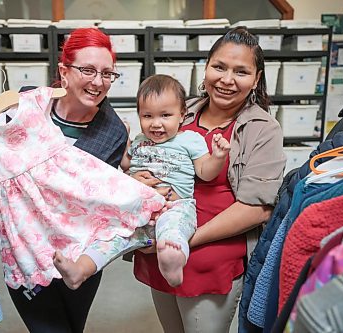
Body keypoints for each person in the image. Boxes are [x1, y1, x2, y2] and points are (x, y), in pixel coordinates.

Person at [0, 28, 132, 333]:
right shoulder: (27, 105)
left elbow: (96, 201)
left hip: (77, 252)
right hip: (24, 244)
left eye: (107, 73)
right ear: (64, 71)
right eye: (88, 70)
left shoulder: (113, 131)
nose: (98, 82)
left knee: (73, 326)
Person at [132, 27, 287, 333]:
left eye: (240, 71)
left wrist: (185, 240)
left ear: (256, 79)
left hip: (208, 260)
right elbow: (143, 156)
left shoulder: (262, 129)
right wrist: (137, 180)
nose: (227, 79)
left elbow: (257, 208)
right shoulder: (178, 112)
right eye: (219, 67)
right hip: (161, 250)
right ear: (206, 68)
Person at [53, 74, 231, 289]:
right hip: (138, 212)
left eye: (165, 115)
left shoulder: (190, 140)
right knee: (111, 237)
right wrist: (126, 139)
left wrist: (218, 157)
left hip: (174, 207)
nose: (156, 124)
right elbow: (127, 164)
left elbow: (205, 172)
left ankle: (174, 265)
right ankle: (79, 270)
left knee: (173, 232)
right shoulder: (140, 141)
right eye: (147, 116)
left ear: (182, 114)